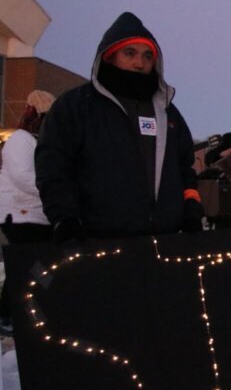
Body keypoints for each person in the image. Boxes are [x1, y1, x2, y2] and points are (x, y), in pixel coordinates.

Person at [36, 12, 203, 241]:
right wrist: (64, 218)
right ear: (109, 57)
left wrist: (191, 209)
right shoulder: (76, 107)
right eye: (129, 53)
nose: (140, 63)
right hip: (97, 242)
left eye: (147, 56)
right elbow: (53, 166)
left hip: (164, 241)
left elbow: (186, 169)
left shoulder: (167, 113)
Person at [0, 90, 55, 245]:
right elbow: (22, 176)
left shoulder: (33, 141)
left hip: (31, 215)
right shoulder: (22, 139)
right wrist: (53, 190)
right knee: (30, 262)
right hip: (22, 214)